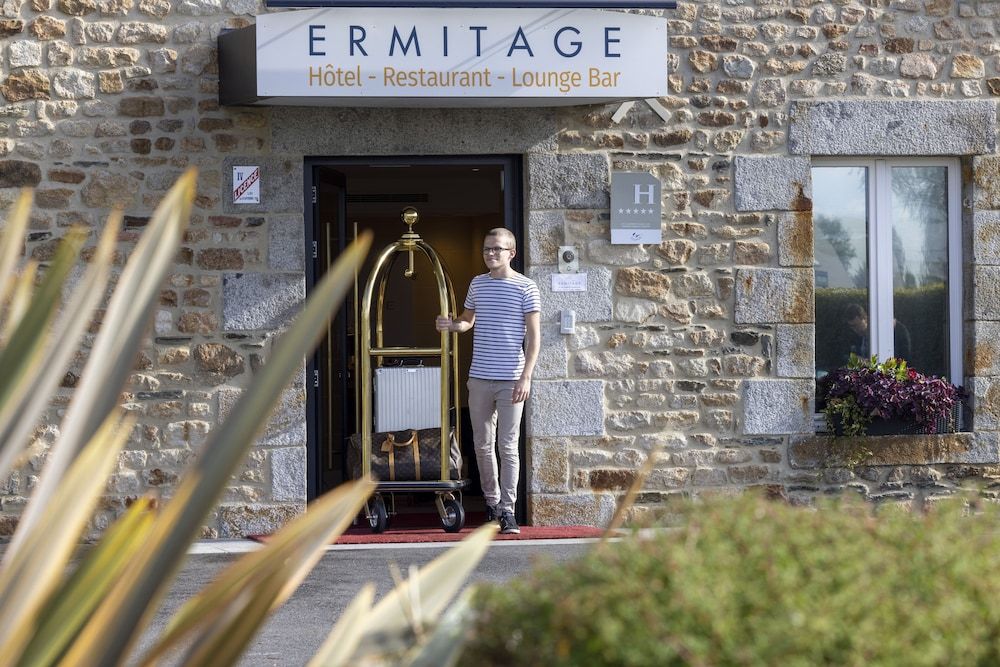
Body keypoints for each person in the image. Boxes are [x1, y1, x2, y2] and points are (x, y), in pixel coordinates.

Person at [435, 228, 540, 535]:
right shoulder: (477, 284)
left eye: (497, 249)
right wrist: (451, 325)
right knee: (482, 446)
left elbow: (534, 337)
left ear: (511, 253)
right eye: (486, 249)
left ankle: (508, 510)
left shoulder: (526, 287)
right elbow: (467, 321)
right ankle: (492, 505)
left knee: (508, 447)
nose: (490, 254)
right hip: (479, 377)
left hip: (511, 379)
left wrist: (526, 377)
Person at [843, 303, 911, 361]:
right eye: (852, 327)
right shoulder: (855, 336)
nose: (855, 330)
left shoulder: (896, 331)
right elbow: (845, 354)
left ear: (865, 318)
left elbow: (903, 357)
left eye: (856, 325)